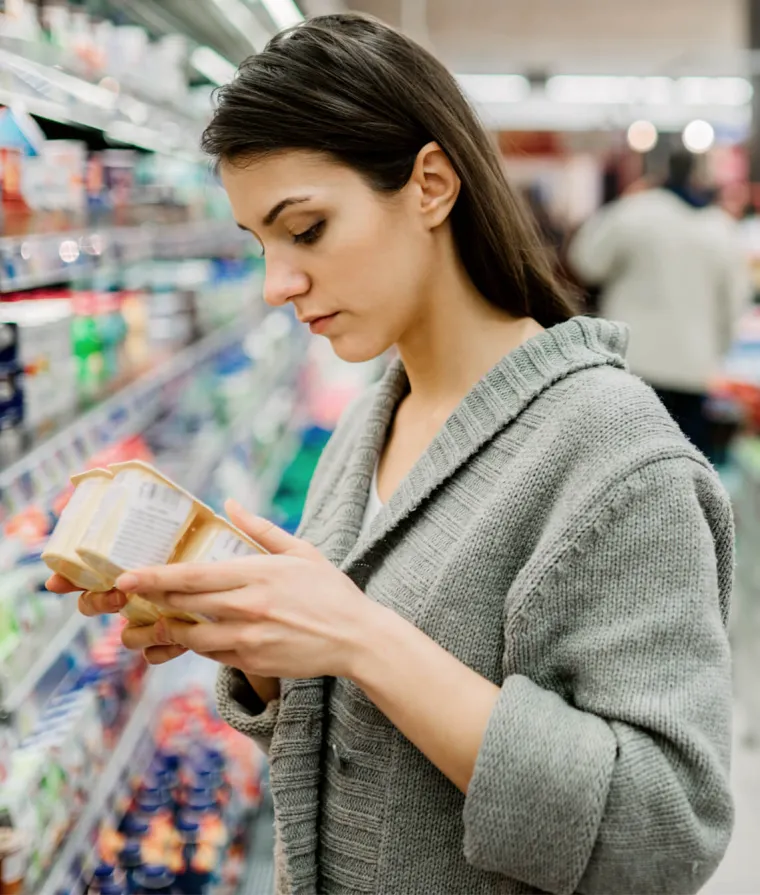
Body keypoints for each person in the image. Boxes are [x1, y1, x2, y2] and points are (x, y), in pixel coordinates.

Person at [49, 14, 733, 895]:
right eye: (261, 244)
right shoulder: (366, 426)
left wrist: (359, 635)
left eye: (307, 229)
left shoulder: (615, 454)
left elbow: (665, 832)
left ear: (432, 186)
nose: (276, 282)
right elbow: (364, 753)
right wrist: (256, 644)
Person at [568, 151, 751, 458]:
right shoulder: (720, 229)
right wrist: (717, 352)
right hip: (692, 369)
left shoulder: (635, 212)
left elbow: (586, 261)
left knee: (622, 463)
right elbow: (734, 304)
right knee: (687, 469)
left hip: (632, 361)